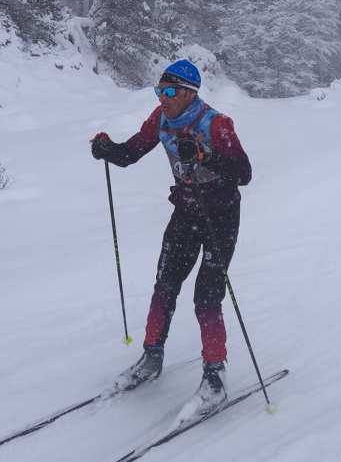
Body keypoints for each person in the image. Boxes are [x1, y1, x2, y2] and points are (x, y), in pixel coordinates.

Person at [91, 59, 252, 410]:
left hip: (221, 217)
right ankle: (152, 357)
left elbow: (244, 172)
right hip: (186, 210)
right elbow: (130, 153)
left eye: (168, 91)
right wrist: (108, 149)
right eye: (158, 90)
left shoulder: (216, 123)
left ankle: (215, 375)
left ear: (189, 93)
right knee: (164, 285)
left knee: (206, 297)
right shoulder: (161, 119)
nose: (161, 97)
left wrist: (205, 154)